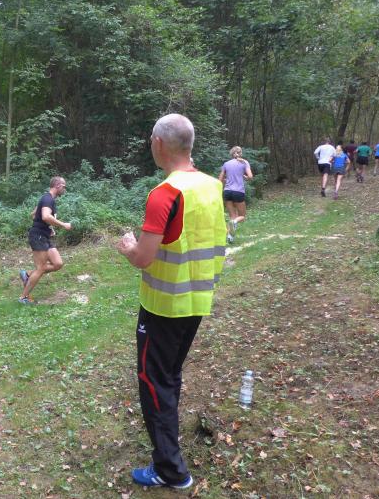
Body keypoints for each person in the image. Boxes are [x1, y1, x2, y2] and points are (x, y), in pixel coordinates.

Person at [116, 113, 225, 491]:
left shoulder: (164, 193)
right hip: (197, 300)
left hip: (163, 306)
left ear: (159, 144)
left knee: (153, 381)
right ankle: (169, 446)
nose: (150, 144)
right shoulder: (211, 186)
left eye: (151, 138)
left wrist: (128, 247)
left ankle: (171, 469)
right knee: (169, 376)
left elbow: (144, 258)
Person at [18, 177, 72, 304]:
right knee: (41, 268)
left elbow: (34, 214)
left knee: (58, 263)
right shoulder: (48, 199)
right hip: (38, 236)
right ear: (57, 185)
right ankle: (23, 298)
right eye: (64, 186)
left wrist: (49, 227)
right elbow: (46, 216)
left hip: (44, 236)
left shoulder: (48, 199)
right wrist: (63, 225)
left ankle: (27, 274)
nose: (64, 189)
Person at [218, 146, 253, 243]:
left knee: (232, 216)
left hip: (227, 192)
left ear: (231, 154)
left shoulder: (226, 164)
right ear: (240, 153)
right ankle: (234, 223)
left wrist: (227, 180)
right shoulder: (244, 162)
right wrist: (245, 177)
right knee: (242, 217)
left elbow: (220, 179)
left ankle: (230, 237)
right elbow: (250, 177)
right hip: (238, 192)